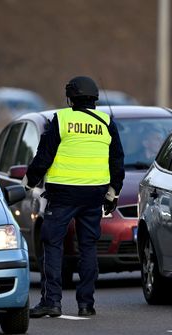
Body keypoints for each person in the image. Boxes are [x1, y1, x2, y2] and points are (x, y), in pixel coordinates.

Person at [23, 76, 125, 318]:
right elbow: (117, 160)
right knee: (88, 247)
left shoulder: (62, 119)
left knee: (52, 244)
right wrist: (113, 192)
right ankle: (86, 304)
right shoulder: (106, 121)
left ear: (70, 98)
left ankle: (52, 302)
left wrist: (29, 181)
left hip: (63, 194)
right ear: (95, 98)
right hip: (94, 194)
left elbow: (44, 155)